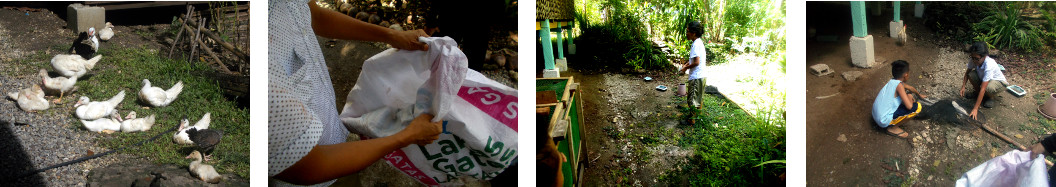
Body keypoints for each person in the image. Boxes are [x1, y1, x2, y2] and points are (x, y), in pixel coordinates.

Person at [268, 0, 440, 185]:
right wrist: (407, 136)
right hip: (316, 177)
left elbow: (312, 14)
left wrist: (391, 35)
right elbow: (308, 166)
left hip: (334, 140)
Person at [871, 60, 927, 138]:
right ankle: (892, 128)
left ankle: (892, 121)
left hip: (875, 114)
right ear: (906, 75)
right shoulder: (899, 86)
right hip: (882, 120)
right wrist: (910, 97)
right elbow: (909, 107)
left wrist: (919, 95)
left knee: (907, 95)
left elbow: (910, 88)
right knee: (917, 107)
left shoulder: (893, 81)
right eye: (909, 73)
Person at [960, 42, 1010, 120]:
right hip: (985, 79)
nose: (974, 60)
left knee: (987, 88)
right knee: (971, 75)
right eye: (972, 57)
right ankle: (978, 94)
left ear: (984, 56)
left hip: (999, 83)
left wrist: (975, 109)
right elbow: (967, 73)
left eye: (977, 59)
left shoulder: (989, 65)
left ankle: (991, 97)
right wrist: (963, 87)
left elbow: (983, 88)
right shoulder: (973, 59)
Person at [678, 21, 707, 115]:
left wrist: (685, 69)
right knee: (698, 98)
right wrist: (687, 64)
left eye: (688, 31)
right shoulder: (698, 42)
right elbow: (695, 60)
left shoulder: (695, 44)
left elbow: (696, 62)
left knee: (692, 100)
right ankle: (697, 116)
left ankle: (692, 121)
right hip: (701, 76)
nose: (686, 33)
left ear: (693, 33)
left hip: (696, 77)